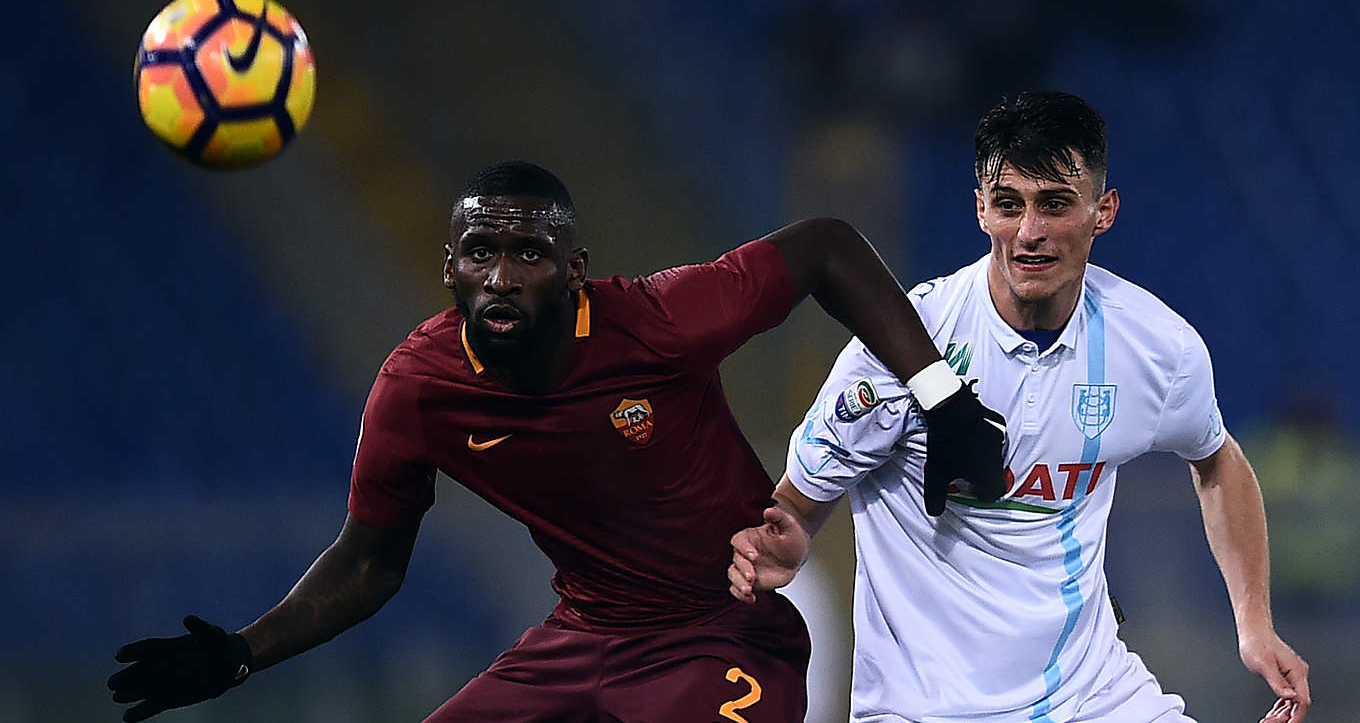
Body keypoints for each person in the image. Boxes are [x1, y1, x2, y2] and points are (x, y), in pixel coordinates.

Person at [108, 160, 1007, 723]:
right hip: (581, 642)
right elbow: (370, 561)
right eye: (479, 252)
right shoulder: (418, 389)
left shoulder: (656, 321)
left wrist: (947, 400)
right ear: (451, 268)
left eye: (530, 253)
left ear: (574, 271)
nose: (502, 274)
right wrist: (241, 651)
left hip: (722, 636)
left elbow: (823, 247)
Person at [728, 92, 1311, 723]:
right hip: (925, 710)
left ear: (1102, 212)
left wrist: (1254, 625)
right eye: (1009, 204)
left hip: (1094, 698)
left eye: (1055, 203)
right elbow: (795, 506)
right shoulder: (903, 343)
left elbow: (1217, 459)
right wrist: (788, 537)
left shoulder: (1157, 349)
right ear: (981, 209)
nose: (1029, 232)